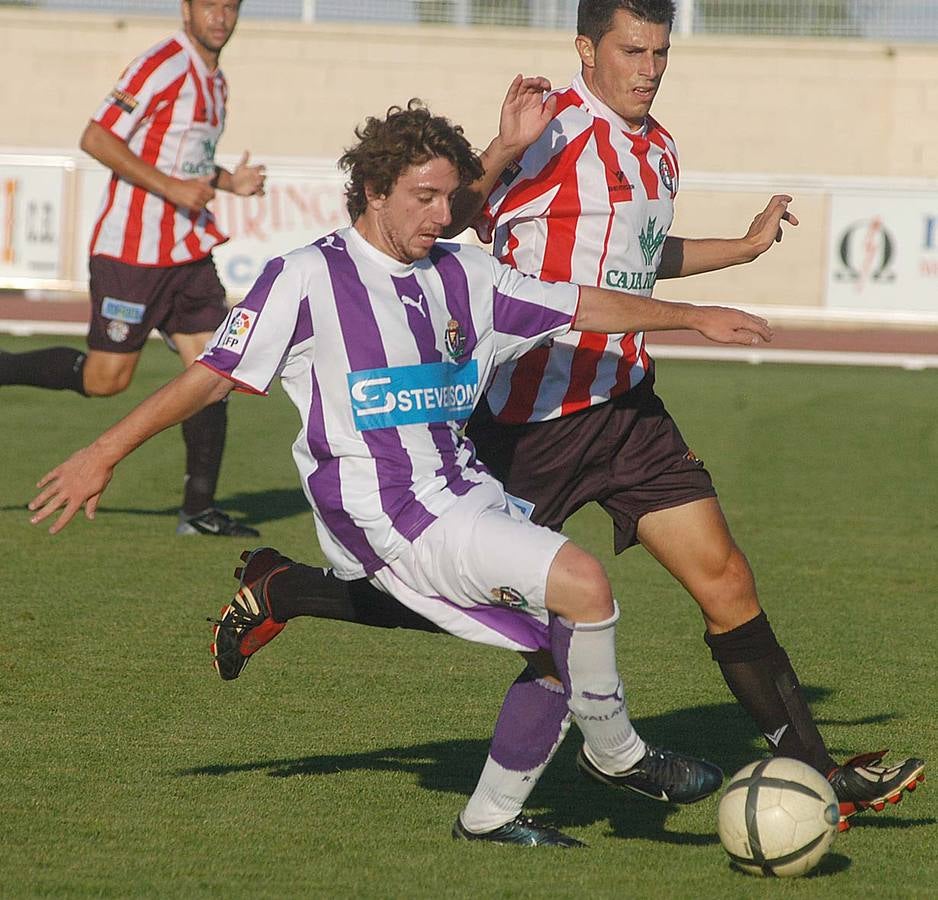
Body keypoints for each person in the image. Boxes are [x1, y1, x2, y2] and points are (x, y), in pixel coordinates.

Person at [208, 0, 925, 831]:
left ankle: (815, 769)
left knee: (725, 579)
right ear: (587, 50)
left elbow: (641, 260)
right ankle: (284, 587)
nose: (650, 68)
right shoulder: (555, 131)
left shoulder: (658, 149)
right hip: (528, 420)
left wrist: (741, 247)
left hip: (625, 405)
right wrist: (506, 144)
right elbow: (452, 215)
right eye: (633, 50)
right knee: (428, 597)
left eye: (660, 51)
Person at [28, 101, 780, 846]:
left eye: (449, 198)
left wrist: (694, 316)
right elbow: (211, 377)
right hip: (384, 513)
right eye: (423, 197)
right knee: (583, 585)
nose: (439, 213)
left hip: (466, 492)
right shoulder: (306, 278)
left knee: (562, 642)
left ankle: (489, 818)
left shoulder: (467, 275)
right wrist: (103, 453)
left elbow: (580, 303)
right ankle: (618, 756)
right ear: (373, 191)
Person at [0, 0, 263, 537]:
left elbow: (181, 161)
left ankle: (198, 509)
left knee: (214, 369)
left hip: (188, 250)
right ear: (186, 8)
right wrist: (170, 188)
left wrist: (227, 183)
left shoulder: (216, 82)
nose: (221, 14)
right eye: (209, 4)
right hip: (132, 252)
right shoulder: (162, 62)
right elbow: (96, 137)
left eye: (230, 5)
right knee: (106, 380)